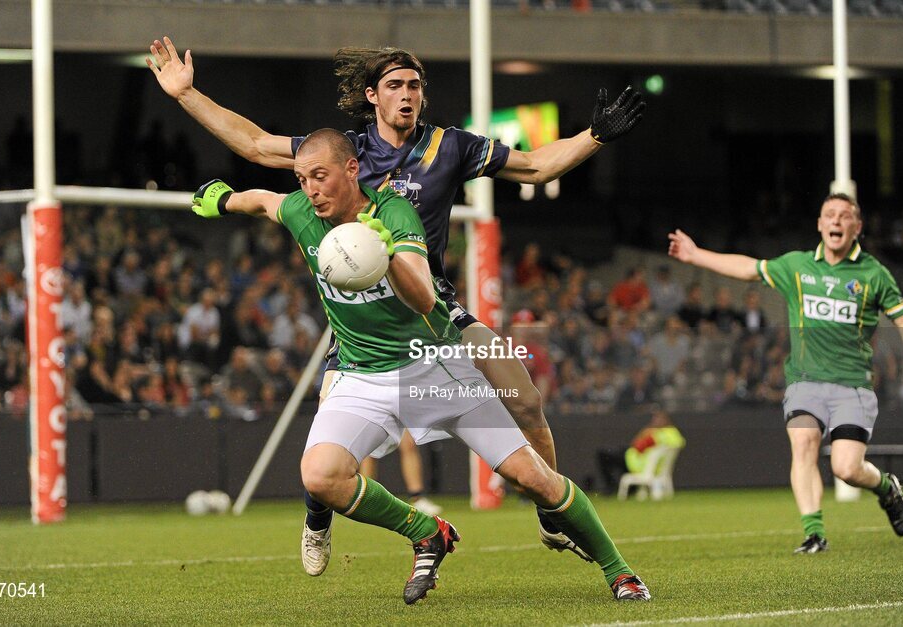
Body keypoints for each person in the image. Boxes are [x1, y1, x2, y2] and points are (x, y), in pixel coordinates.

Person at [147, 37, 646, 570]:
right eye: (395, 86)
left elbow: (536, 167)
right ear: (372, 96)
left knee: (524, 401)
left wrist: (593, 136)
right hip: (360, 319)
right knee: (327, 453)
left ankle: (553, 515)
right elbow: (254, 144)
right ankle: (317, 521)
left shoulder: (450, 147)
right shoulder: (345, 153)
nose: (407, 95)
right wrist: (186, 94)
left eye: (414, 86)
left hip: (432, 310)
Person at [667, 193, 903, 554]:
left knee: (847, 468)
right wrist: (696, 255)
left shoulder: (873, 274)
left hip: (852, 386)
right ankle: (814, 533)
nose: (836, 221)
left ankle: (886, 487)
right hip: (805, 382)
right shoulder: (798, 267)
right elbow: (749, 269)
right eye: (829, 215)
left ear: (857, 227)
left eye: (844, 216)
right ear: (820, 224)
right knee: (803, 446)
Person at [597, 408, 685, 494]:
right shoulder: (674, 434)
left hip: (637, 463)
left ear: (665, 420)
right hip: (656, 467)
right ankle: (629, 489)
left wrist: (645, 432)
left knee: (603, 455)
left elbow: (637, 446)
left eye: (657, 418)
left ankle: (610, 487)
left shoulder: (655, 434)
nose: (654, 420)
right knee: (613, 453)